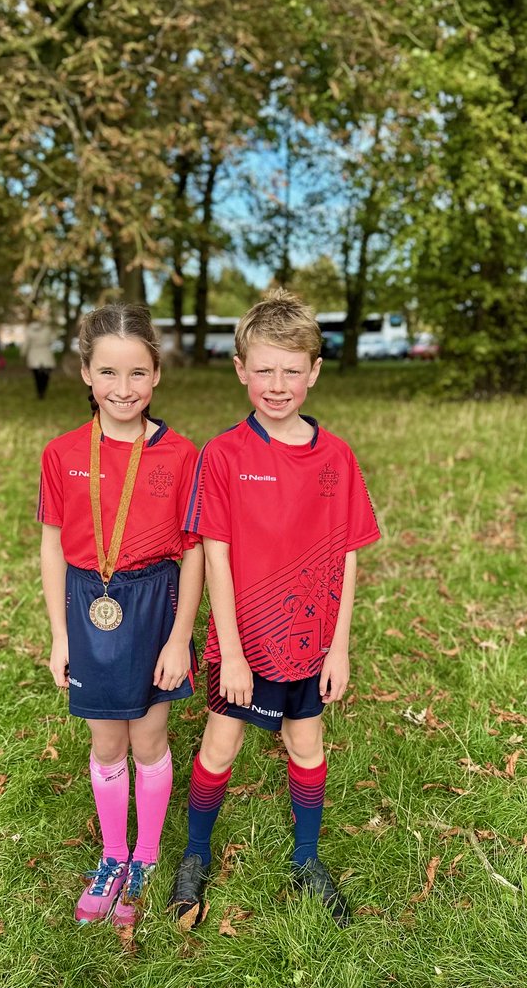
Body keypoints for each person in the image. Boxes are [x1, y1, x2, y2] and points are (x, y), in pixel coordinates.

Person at [169, 290, 380, 928]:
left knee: (307, 744)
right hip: (245, 641)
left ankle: (307, 860)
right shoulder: (225, 455)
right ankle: (195, 855)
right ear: (240, 370)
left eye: (292, 370)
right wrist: (230, 650)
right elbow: (215, 557)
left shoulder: (336, 457)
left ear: (315, 371)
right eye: (264, 369)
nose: (278, 384)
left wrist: (338, 646)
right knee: (222, 744)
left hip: (310, 641)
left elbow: (347, 554)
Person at [38, 303, 204, 926]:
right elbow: (53, 544)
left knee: (149, 736)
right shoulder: (62, 453)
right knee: (107, 741)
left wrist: (180, 637)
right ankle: (112, 855)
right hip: (89, 603)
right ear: (85, 373)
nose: (123, 388)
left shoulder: (182, 455)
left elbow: (194, 554)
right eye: (108, 373)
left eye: (137, 373)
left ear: (156, 375)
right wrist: (60, 635)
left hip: (154, 603)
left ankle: (148, 854)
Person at [23, 316, 57, 399]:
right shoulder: (47, 330)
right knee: (45, 375)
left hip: (34, 354)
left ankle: (39, 391)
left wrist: (23, 353)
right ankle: (43, 391)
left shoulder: (29, 330)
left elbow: (26, 343)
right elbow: (52, 339)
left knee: (37, 375)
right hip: (45, 353)